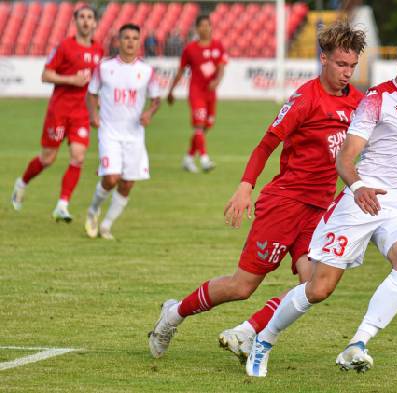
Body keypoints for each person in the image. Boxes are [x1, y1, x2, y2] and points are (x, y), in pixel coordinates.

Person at [245, 31, 397, 378]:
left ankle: (358, 343)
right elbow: (346, 157)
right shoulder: (376, 100)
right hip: (361, 200)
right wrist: (358, 187)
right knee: (319, 288)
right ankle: (265, 339)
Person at [148, 21, 367, 361]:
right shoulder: (304, 100)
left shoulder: (358, 102)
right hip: (286, 203)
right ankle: (173, 315)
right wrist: (245, 187)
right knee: (242, 286)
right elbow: (266, 146)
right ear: (323, 59)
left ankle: (248, 332)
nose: (347, 73)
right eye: (341, 64)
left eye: (352, 66)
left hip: (319, 210)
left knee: (314, 286)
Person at [11, 5, 103, 221]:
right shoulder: (64, 47)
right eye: (82, 17)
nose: (86, 21)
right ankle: (22, 182)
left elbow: (98, 84)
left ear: (95, 23)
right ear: (76, 21)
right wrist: (71, 79)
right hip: (59, 111)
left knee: (78, 157)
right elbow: (46, 75)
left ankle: (62, 205)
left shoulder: (99, 50)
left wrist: (96, 110)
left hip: (81, 112)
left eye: (90, 17)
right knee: (48, 158)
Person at [83, 24, 162, 240]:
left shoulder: (146, 71)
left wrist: (149, 113)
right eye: (126, 37)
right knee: (111, 179)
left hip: (135, 135)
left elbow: (156, 99)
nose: (130, 42)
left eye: (134, 38)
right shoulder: (105, 67)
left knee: (127, 183)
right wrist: (93, 115)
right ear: (118, 41)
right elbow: (91, 93)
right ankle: (92, 211)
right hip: (109, 131)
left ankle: (106, 225)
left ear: (139, 42)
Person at [166, 17, 225, 173]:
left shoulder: (218, 46)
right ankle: (204, 159)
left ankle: (189, 158)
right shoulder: (190, 49)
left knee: (205, 127)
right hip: (196, 93)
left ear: (211, 27)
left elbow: (221, 68)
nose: (205, 28)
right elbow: (181, 71)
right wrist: (171, 90)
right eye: (202, 26)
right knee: (199, 126)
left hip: (211, 95)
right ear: (197, 29)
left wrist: (217, 81)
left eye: (207, 25)